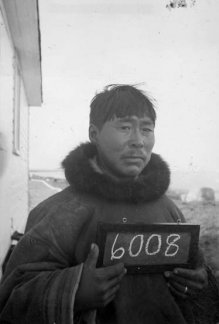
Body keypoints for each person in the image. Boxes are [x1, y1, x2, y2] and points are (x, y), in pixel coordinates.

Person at [0, 84, 217, 324]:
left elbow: (195, 272)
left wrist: (198, 280)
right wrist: (76, 291)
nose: (138, 141)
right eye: (125, 127)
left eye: (146, 129)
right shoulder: (59, 212)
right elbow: (12, 297)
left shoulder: (168, 209)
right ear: (94, 134)